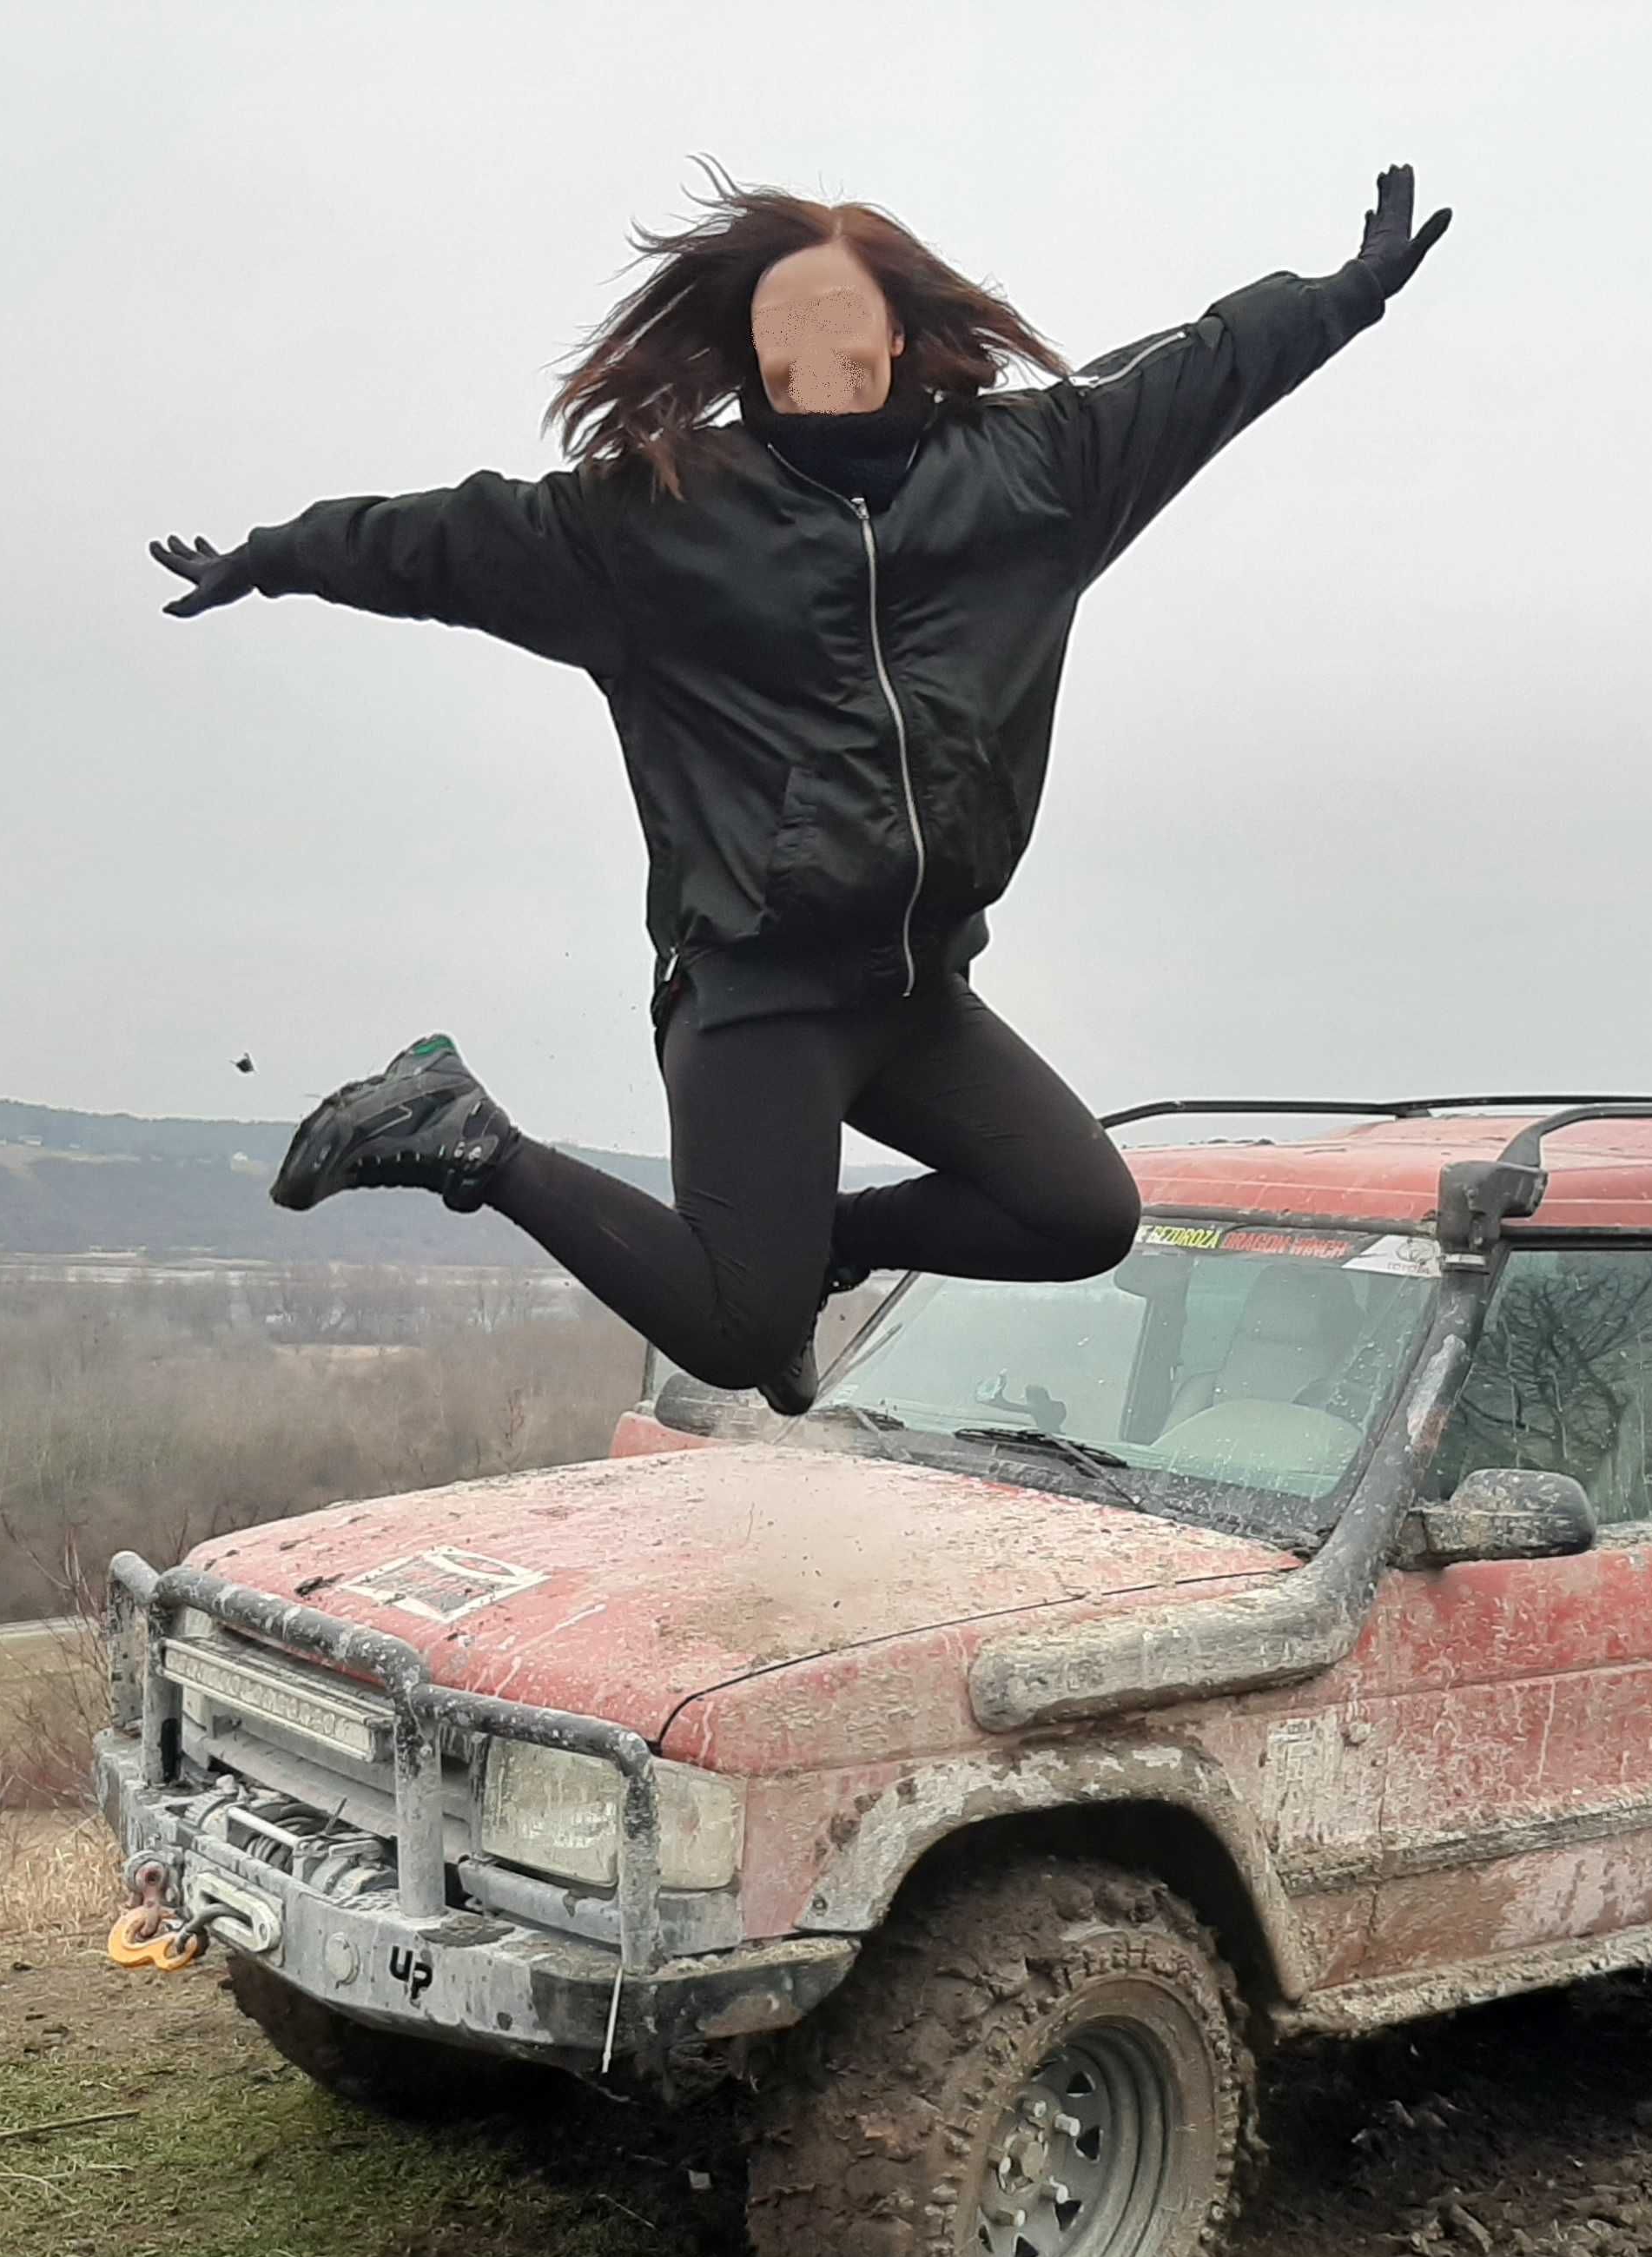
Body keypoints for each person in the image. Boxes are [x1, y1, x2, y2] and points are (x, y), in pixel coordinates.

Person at [151, 164, 1451, 1412]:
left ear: (901, 333)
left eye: (842, 328)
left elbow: (1193, 376)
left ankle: (814, 1238)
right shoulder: (657, 521)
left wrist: (1346, 294)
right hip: (757, 990)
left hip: (914, 988)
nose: (816, 360)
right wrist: (273, 557)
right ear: (750, 358)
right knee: (736, 1336)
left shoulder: (1037, 474)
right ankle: (466, 1134)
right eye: (784, 341)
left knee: (1082, 1216)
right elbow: (446, 539)